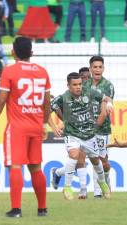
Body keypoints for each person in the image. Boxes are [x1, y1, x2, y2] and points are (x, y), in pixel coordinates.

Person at [0, 37, 51, 218]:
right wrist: (44, 124)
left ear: (13, 51)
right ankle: (42, 209)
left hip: (17, 127)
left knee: (15, 166)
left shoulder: (10, 71)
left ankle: (16, 209)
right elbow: (47, 102)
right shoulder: (42, 71)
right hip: (36, 126)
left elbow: (1, 99)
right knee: (36, 168)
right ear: (31, 52)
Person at [50, 72, 112, 200]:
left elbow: (106, 98)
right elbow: (46, 110)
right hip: (72, 134)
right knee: (74, 155)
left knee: (96, 159)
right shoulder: (63, 98)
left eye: (79, 84)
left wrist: (109, 104)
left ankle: (102, 182)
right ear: (68, 85)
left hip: (89, 134)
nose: (78, 87)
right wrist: (54, 127)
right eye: (75, 85)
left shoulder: (90, 92)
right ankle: (67, 187)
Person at [84, 56, 114, 198]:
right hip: (87, 127)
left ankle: (106, 184)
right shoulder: (84, 85)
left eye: (100, 67)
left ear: (103, 68)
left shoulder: (108, 85)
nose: (97, 69)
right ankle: (97, 192)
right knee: (89, 157)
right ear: (90, 68)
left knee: (103, 161)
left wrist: (94, 127)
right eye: (94, 67)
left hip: (102, 129)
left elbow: (104, 111)